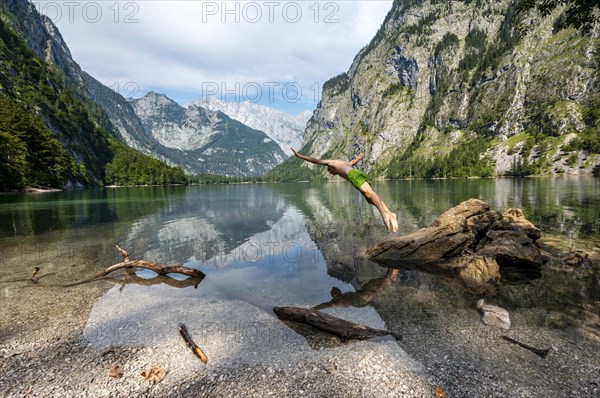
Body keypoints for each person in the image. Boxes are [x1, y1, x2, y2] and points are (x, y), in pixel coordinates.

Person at [291, 148, 398, 233]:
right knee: (370, 199)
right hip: (356, 174)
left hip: (353, 176)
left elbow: (315, 161)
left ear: (331, 167)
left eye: (331, 172)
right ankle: (390, 213)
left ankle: (384, 214)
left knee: (369, 194)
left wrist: (299, 155)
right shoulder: (346, 164)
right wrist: (360, 157)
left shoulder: (332, 163)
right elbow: (354, 161)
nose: (332, 173)